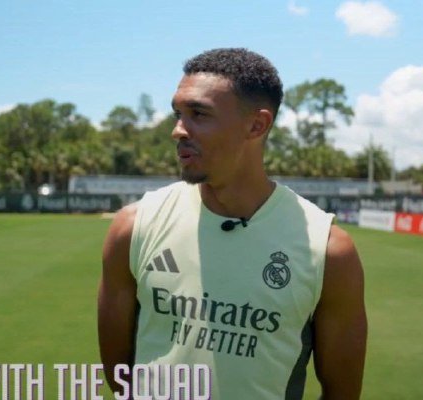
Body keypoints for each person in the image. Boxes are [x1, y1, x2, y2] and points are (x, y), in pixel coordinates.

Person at [98, 48, 367, 399]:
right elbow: (120, 375)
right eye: (178, 114)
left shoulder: (328, 251)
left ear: (257, 125)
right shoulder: (134, 226)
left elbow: (342, 391)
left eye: (198, 114)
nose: (178, 130)